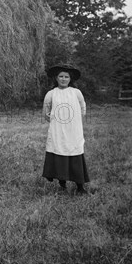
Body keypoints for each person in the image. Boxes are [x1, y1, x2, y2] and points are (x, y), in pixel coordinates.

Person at [42, 63, 90, 195]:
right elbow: (46, 112)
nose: (63, 79)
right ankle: (62, 184)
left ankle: (80, 186)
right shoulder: (51, 94)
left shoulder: (76, 92)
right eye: (61, 76)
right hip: (58, 130)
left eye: (66, 77)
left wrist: (74, 121)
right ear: (56, 78)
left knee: (75, 151)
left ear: (70, 79)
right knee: (58, 150)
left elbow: (82, 108)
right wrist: (56, 121)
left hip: (73, 129)